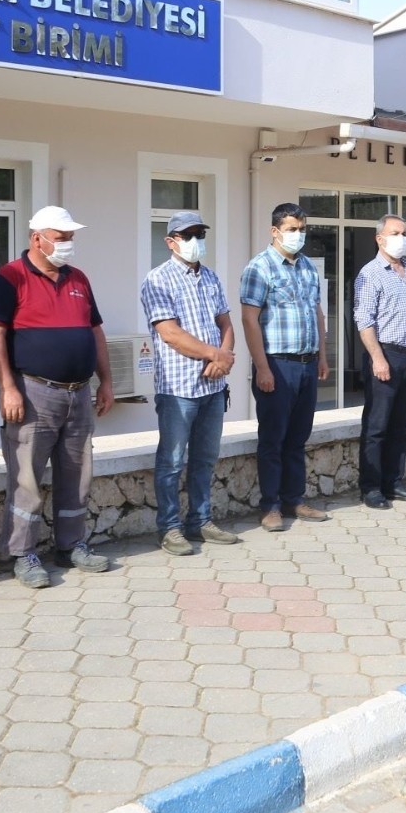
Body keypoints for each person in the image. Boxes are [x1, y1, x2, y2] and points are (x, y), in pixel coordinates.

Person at [0, 205, 116, 590]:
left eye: (70, 237)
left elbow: (95, 333)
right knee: (26, 477)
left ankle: (71, 544)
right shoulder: (9, 278)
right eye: (61, 237)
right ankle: (22, 553)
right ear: (36, 238)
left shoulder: (79, 279)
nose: (67, 244)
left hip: (78, 392)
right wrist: (7, 386)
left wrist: (106, 382)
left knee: (77, 473)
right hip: (34, 392)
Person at [140, 211, 241, 556]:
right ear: (171, 242)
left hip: (213, 388)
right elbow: (170, 334)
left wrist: (223, 357)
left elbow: (226, 323)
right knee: (171, 461)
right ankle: (170, 528)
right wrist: (216, 356)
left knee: (205, 458)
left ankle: (201, 520)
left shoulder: (211, 278)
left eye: (200, 233)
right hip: (179, 388)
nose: (196, 240)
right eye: (189, 235)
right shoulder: (157, 280)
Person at [239, 202, 332, 530]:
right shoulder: (259, 267)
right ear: (275, 231)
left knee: (298, 437)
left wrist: (322, 354)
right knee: (273, 439)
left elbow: (317, 312)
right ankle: (270, 506)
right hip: (277, 365)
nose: (298, 234)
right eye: (292, 229)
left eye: (302, 228)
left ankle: (295, 499)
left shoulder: (307, 266)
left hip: (306, 364)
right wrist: (262, 367)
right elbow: (250, 320)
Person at [353, 213, 406, 509]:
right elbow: (363, 320)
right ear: (380, 238)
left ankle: (393, 482)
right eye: (396, 233)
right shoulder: (370, 273)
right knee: (377, 426)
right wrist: (377, 358)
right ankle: (371, 487)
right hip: (385, 355)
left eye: (404, 232)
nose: (402, 238)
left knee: (401, 424)